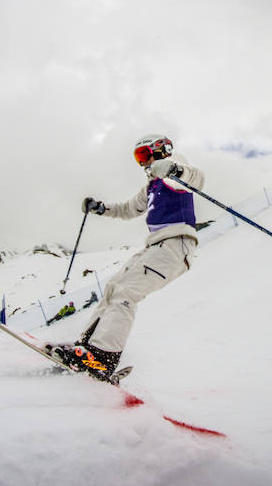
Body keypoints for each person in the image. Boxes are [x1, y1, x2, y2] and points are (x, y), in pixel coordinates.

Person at [47, 134, 204, 381]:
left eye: (144, 155)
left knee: (126, 293)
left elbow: (196, 178)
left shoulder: (174, 171)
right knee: (113, 288)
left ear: (160, 150)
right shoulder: (152, 185)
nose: (143, 162)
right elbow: (129, 209)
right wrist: (101, 208)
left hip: (176, 244)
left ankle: (103, 357)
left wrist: (175, 169)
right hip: (156, 245)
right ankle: (86, 346)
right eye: (138, 158)